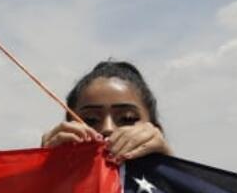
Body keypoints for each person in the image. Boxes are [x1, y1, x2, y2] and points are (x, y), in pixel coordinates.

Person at [41, 60, 171, 162]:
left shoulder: (179, 189)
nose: (107, 129)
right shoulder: (53, 182)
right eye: (90, 120)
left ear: (157, 130)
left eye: (127, 118)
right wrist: (44, 166)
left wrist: (171, 166)